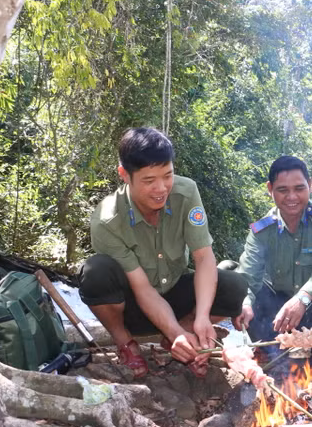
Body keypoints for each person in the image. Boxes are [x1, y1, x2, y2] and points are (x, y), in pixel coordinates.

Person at [78, 127, 247, 379]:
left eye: (167, 176)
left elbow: (203, 257)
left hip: (177, 293)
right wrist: (173, 331)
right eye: (149, 180)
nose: (161, 189)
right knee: (96, 272)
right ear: (125, 174)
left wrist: (202, 317)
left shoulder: (186, 193)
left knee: (235, 285)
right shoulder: (107, 220)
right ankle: (127, 344)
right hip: (134, 307)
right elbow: (143, 289)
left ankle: (187, 336)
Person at [233, 156, 312, 362]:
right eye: (282, 190)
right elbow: (248, 276)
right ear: (270, 189)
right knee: (241, 291)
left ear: (310, 185)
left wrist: (303, 298)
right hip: (279, 315)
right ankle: (271, 354)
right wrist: (244, 303)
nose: (292, 197)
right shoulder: (262, 230)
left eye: (299, 188)